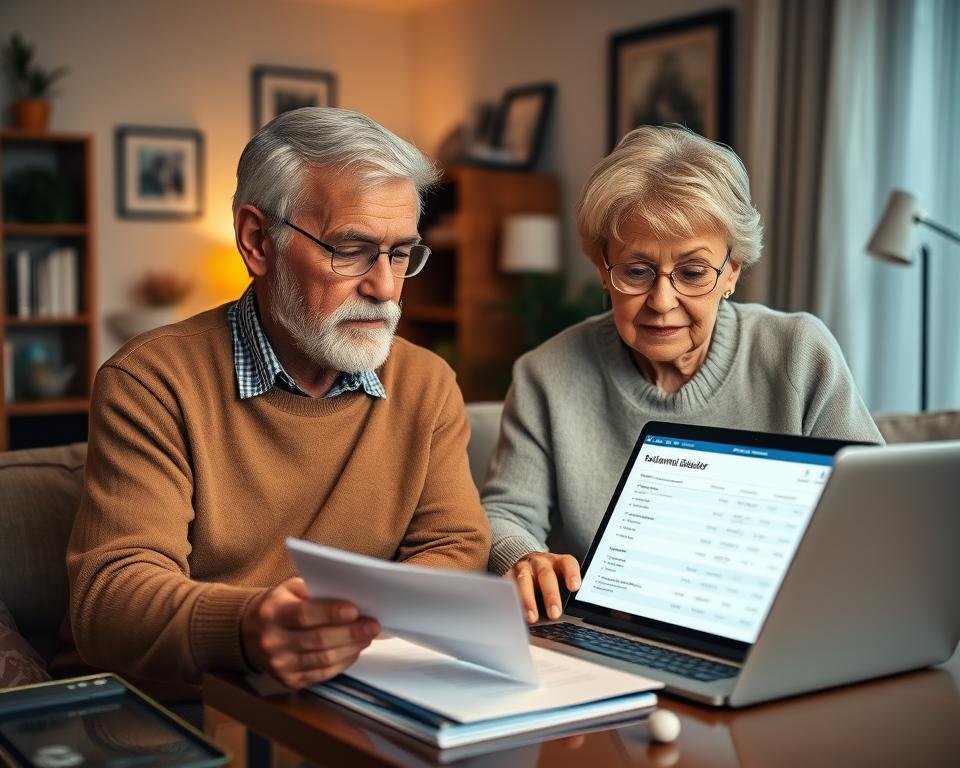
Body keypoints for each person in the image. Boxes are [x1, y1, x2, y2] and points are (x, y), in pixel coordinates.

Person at [62, 108, 490, 699]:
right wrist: (248, 627)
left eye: (401, 254)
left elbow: (457, 545)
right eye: (352, 250)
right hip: (194, 706)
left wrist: (341, 630)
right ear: (258, 241)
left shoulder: (427, 382)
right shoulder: (150, 381)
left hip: (356, 695)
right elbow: (109, 598)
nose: (386, 288)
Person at [483, 124, 882, 624]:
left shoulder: (798, 354)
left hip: (778, 625)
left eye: (693, 273)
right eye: (636, 270)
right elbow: (505, 514)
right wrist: (522, 555)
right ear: (603, 268)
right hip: (610, 632)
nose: (662, 302)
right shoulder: (546, 374)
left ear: (732, 271)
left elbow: (874, 512)